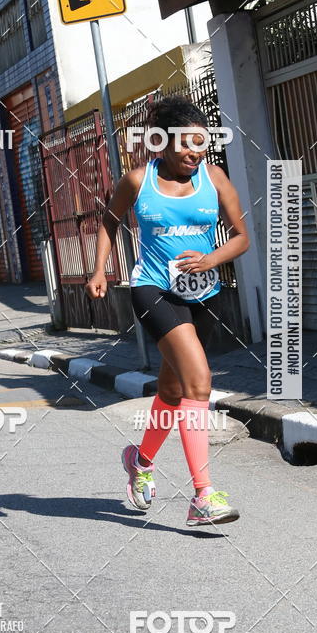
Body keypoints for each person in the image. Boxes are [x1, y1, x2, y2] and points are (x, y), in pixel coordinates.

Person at [86, 96, 250, 526]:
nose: (195, 152)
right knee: (199, 382)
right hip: (154, 290)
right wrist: (100, 269)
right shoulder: (138, 181)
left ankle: (139, 462)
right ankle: (203, 496)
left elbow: (241, 236)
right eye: (187, 145)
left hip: (203, 294)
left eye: (202, 144)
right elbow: (108, 221)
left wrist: (212, 259)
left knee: (173, 391)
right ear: (163, 143)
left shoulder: (214, 178)